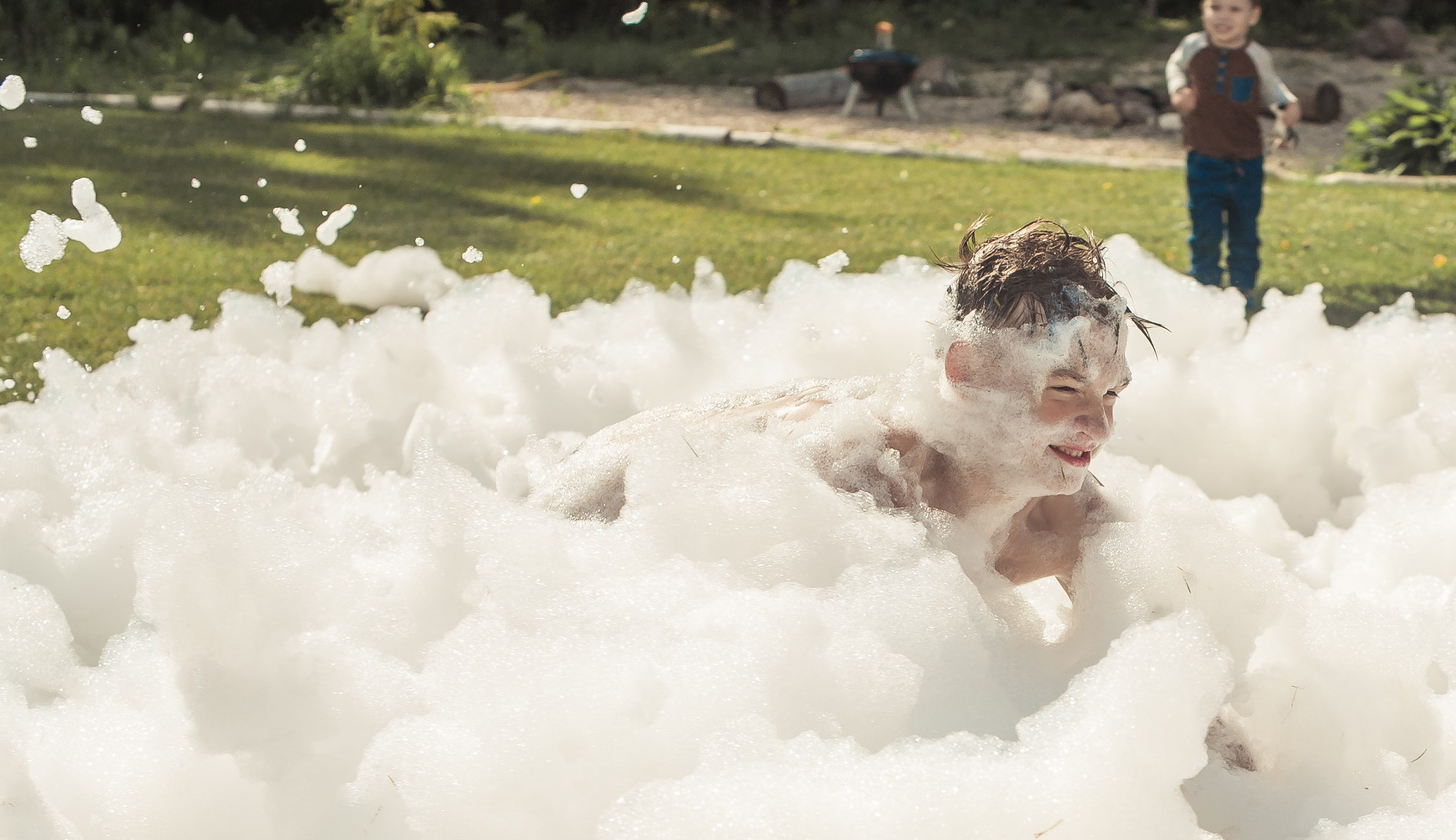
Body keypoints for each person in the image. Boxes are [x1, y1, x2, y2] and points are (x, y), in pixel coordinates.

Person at [530, 221, 1141, 600]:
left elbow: (1177, 695)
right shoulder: (856, 483)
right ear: (967, 373)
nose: (1099, 427)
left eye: (1111, 393)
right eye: (1065, 389)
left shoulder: (1073, 519)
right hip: (615, 489)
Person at [1167, 0, 1300, 307]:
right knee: (1205, 230)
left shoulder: (1256, 56)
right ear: (1202, 10)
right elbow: (1174, 66)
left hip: (1245, 162)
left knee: (1244, 231)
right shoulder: (1193, 46)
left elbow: (1272, 90)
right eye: (1215, 7)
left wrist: (1288, 106)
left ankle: (1242, 292)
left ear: (1253, 15)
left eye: (1235, 9)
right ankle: (1205, 290)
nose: (1223, 16)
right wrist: (1179, 90)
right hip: (1203, 157)